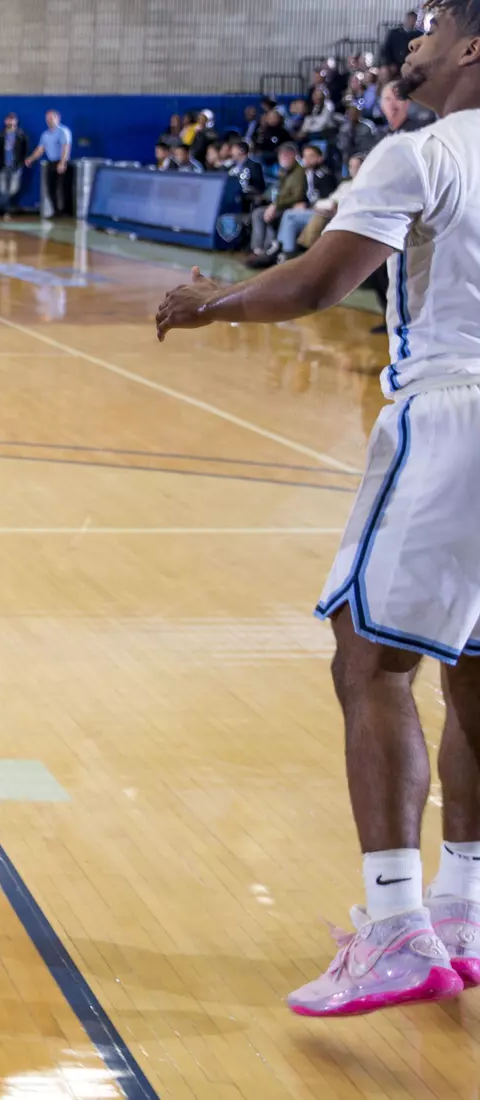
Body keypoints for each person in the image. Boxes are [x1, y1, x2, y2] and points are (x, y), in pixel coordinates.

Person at [157, 0, 480, 1019]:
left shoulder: (421, 153)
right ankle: (464, 905)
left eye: (430, 29)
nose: (411, 45)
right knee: (472, 662)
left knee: (371, 657)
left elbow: (318, 284)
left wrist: (207, 302)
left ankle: (394, 928)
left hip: (454, 412)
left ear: (473, 47)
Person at [247, 142, 310, 262]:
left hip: (292, 207)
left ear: (293, 156)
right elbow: (278, 192)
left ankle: (268, 250)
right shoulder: (284, 172)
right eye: (281, 155)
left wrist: (275, 205)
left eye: (285, 155)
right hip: (281, 205)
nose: (282, 158)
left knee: (270, 215)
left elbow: (296, 196)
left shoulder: (299, 172)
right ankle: (258, 250)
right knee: (258, 213)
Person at [26, 108, 74, 219]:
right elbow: (40, 149)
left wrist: (62, 163)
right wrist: (30, 159)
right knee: (50, 187)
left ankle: (66, 212)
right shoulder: (45, 135)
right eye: (47, 118)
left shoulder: (63, 131)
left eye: (51, 118)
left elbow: (65, 147)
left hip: (62, 162)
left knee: (62, 188)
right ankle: (56, 211)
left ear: (57, 118)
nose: (49, 120)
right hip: (51, 163)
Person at [0, 111, 31, 218]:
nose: (10, 122)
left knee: (13, 190)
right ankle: (5, 211)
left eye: (13, 120)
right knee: (3, 190)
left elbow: (25, 151)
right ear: (5, 121)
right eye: (9, 119)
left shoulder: (21, 136)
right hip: (2, 166)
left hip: (15, 166)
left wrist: (22, 162)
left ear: (16, 122)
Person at [382, 8, 425, 78]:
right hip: (395, 65)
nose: (411, 21)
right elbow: (387, 49)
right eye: (410, 19)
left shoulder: (419, 35)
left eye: (413, 20)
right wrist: (390, 63)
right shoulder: (394, 33)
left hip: (411, 66)